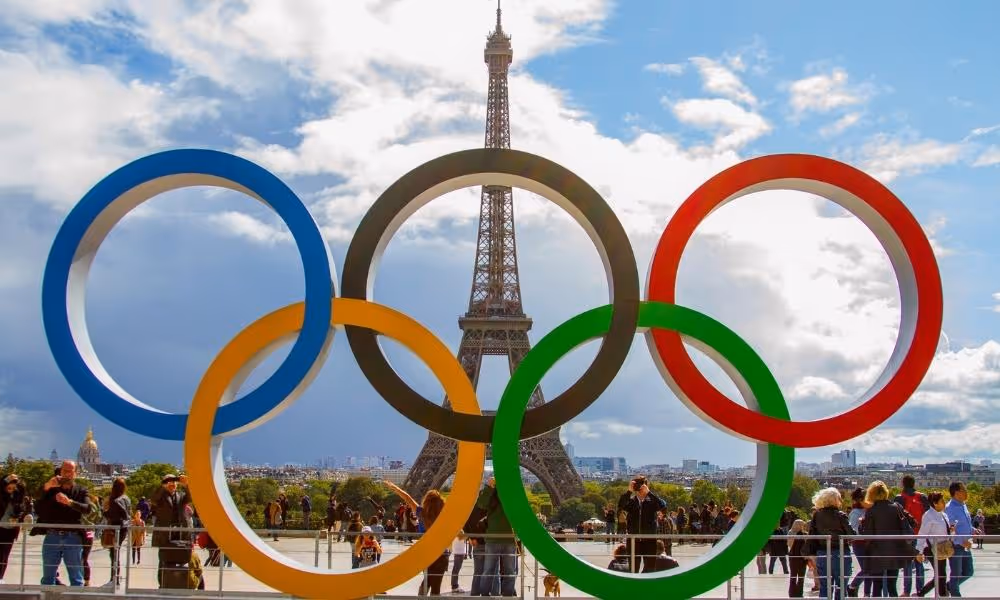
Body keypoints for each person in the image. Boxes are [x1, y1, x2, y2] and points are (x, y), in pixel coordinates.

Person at [384, 480, 451, 595]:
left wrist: (395, 488)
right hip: (442, 553)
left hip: (427, 552)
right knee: (436, 587)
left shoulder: (421, 513)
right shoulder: (444, 514)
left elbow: (408, 498)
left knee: (426, 582)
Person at [35, 461, 92, 586]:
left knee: (76, 577)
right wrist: (47, 486)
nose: (66, 474)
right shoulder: (51, 489)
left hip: (73, 537)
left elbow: (88, 509)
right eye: (64, 471)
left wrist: (70, 503)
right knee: (48, 577)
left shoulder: (81, 490)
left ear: (75, 474)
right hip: (52, 535)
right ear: (60, 472)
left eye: (70, 471)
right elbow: (37, 504)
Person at [860, 480, 915, 597]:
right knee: (892, 585)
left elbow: (867, 534)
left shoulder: (871, 511)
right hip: (894, 551)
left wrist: (861, 524)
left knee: (877, 585)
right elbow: (912, 522)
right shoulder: (896, 508)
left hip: (876, 552)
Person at [805, 487, 854, 600]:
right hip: (840, 553)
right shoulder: (841, 515)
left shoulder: (817, 516)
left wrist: (810, 555)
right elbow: (851, 534)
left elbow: (812, 535)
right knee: (841, 585)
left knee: (825, 586)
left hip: (823, 552)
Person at [474, 477, 517, 596]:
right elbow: (481, 504)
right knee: (497, 570)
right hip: (498, 539)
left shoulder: (512, 492)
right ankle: (487, 595)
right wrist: (489, 487)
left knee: (504, 571)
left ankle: (505, 595)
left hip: (503, 540)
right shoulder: (491, 492)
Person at [616, 475, 666, 573]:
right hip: (633, 539)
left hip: (650, 539)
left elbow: (663, 507)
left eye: (641, 485)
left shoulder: (652, 501)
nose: (639, 488)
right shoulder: (631, 502)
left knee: (650, 569)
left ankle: (647, 587)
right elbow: (620, 505)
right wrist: (629, 491)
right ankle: (634, 587)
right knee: (633, 569)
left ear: (646, 486)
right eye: (637, 485)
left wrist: (649, 493)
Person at [150, 473, 192, 588]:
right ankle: (163, 583)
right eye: (169, 482)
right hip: (165, 533)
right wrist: (163, 486)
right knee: (163, 558)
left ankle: (179, 582)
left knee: (181, 557)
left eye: (174, 481)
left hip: (180, 533)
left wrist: (186, 484)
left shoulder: (181, 496)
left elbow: (191, 497)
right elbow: (153, 499)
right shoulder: (160, 497)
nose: (172, 484)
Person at [894, 475, 930, 597]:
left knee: (907, 564)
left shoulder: (899, 498)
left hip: (906, 536)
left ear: (903, 484)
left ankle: (906, 591)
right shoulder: (922, 497)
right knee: (919, 562)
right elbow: (928, 515)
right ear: (914, 484)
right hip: (920, 533)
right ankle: (920, 590)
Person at [914, 491, 954, 597]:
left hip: (942, 548)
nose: (944, 503)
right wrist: (919, 551)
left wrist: (951, 530)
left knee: (940, 575)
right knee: (941, 575)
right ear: (935, 503)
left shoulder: (943, 515)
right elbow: (922, 534)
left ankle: (922, 593)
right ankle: (942, 596)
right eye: (942, 501)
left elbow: (945, 532)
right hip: (932, 549)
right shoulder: (928, 516)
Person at [944, 481, 975, 596]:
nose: (966, 492)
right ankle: (955, 594)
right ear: (957, 493)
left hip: (966, 545)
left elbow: (963, 524)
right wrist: (962, 541)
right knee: (956, 573)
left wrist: (973, 530)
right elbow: (951, 530)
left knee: (968, 571)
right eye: (964, 490)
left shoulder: (963, 505)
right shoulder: (950, 508)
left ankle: (948, 586)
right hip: (956, 546)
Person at [102, 477, 132, 587]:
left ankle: (114, 579)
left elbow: (112, 515)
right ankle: (116, 578)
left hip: (116, 529)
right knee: (116, 553)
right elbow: (127, 514)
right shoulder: (126, 498)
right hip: (125, 527)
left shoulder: (115, 500)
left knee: (114, 554)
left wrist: (103, 512)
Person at [845, 487, 871, 598]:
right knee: (867, 569)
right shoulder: (855, 512)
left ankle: (865, 593)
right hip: (860, 544)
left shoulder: (866, 510)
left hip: (867, 543)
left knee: (869, 569)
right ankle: (852, 586)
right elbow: (853, 529)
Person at [0, 474, 26, 585]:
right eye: (8, 488)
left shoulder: (19, 498)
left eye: (13, 488)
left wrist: (17, 519)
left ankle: (0, 578)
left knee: (4, 556)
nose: (10, 491)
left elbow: (22, 512)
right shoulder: (1, 496)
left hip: (9, 531)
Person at [786, 519, 808, 598]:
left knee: (797, 576)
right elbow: (789, 544)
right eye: (802, 525)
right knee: (796, 576)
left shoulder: (792, 532)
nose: (803, 527)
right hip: (798, 557)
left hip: (795, 557)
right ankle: (796, 593)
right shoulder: (792, 533)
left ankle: (795, 593)